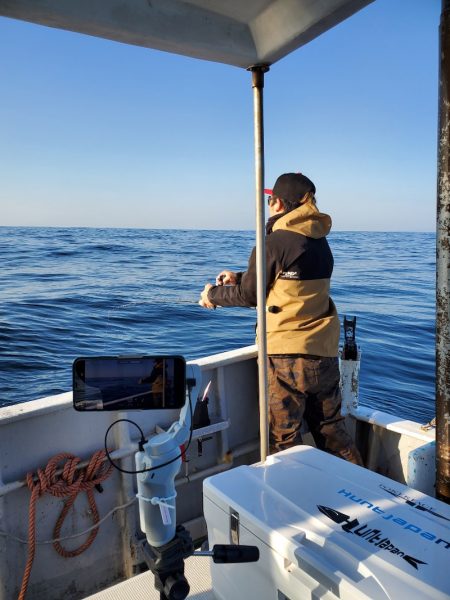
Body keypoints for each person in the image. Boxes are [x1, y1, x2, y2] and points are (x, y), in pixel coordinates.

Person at [198, 172, 362, 465]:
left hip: (285, 357)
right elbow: (289, 283)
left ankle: (291, 505)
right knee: (333, 434)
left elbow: (251, 296)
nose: (269, 204)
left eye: (270, 199)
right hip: (322, 354)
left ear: (277, 204)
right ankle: (361, 488)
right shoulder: (319, 242)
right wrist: (239, 276)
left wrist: (213, 295)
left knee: (283, 439)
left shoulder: (273, 242)